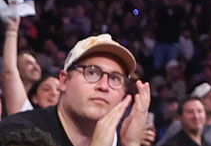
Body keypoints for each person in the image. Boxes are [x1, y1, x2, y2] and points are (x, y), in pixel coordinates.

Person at [0, 34, 151, 146]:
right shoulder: (20, 134)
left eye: (115, 78)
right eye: (92, 72)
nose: (103, 86)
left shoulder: (124, 142)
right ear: (64, 81)